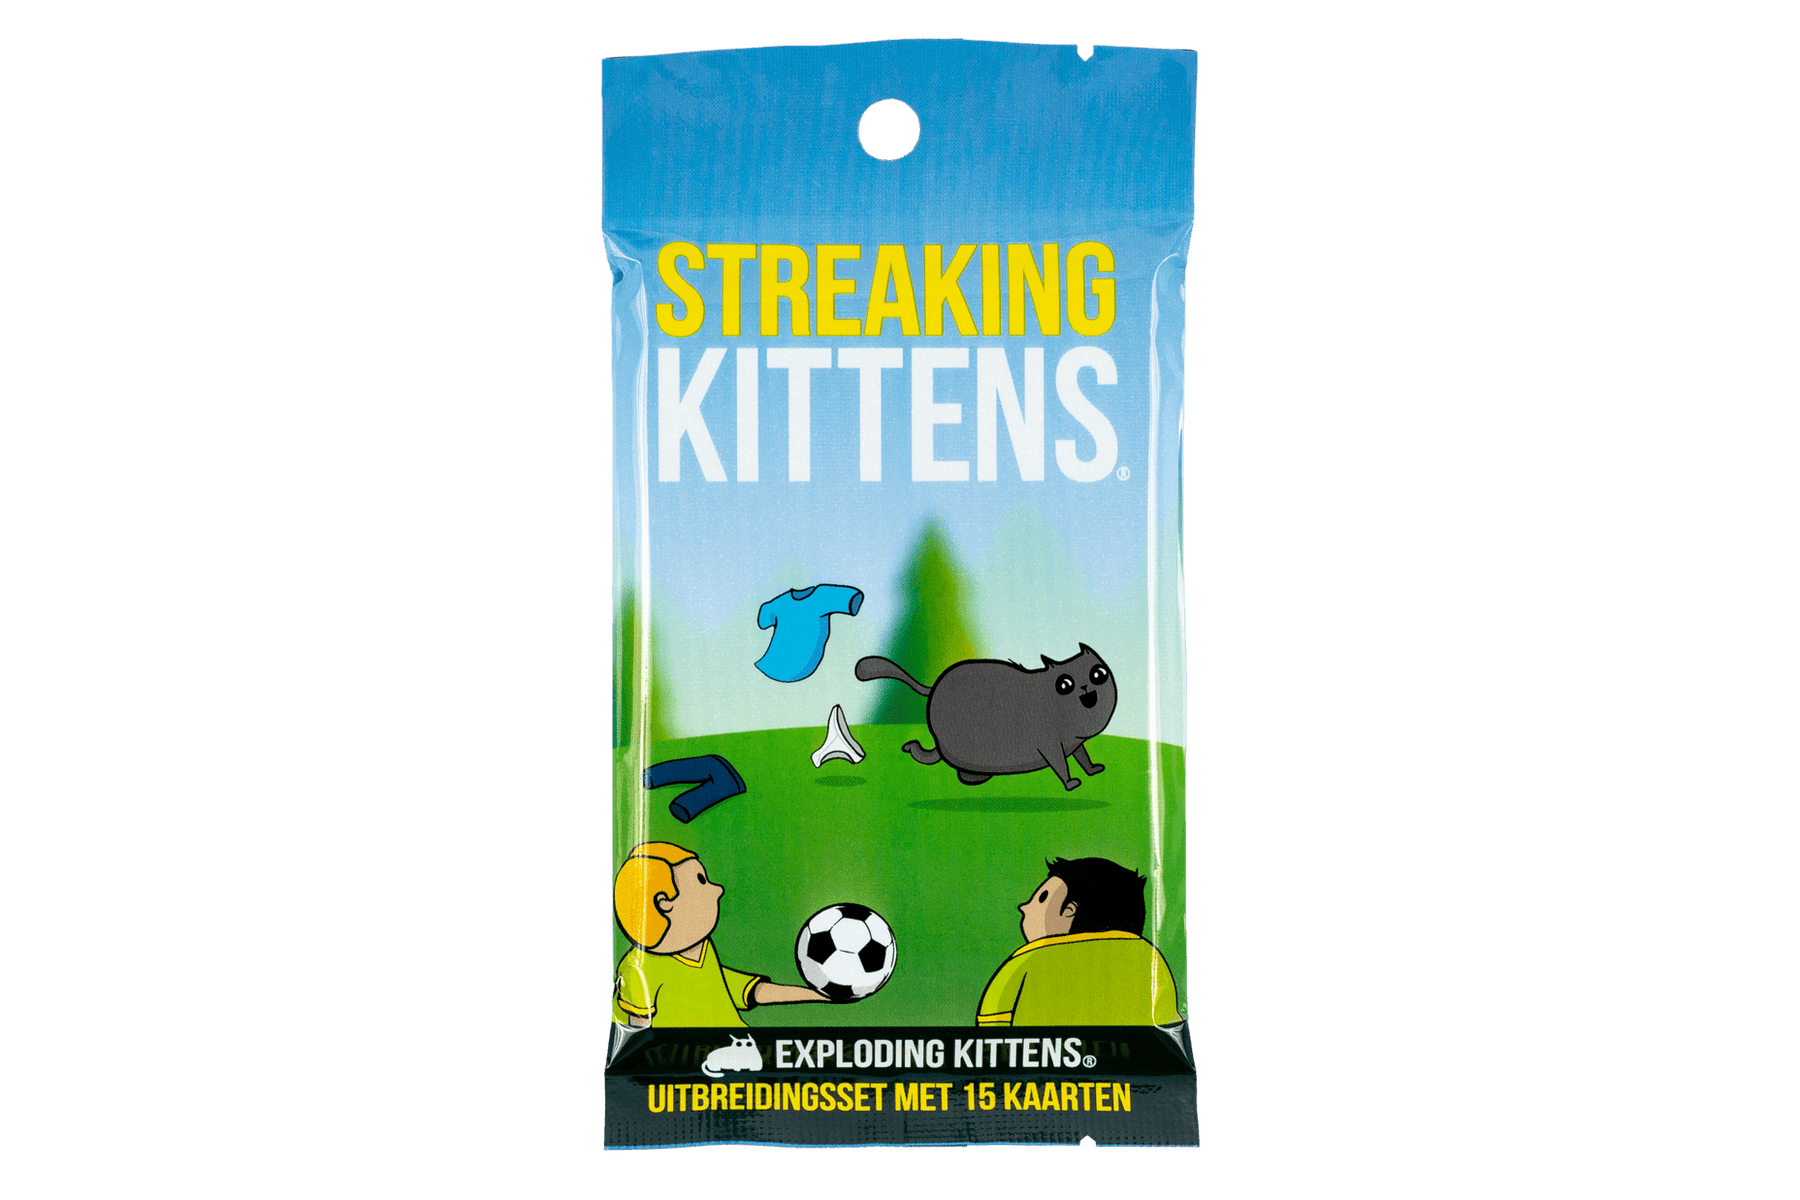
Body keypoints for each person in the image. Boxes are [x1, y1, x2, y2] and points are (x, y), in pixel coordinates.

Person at [612, 842, 826, 1028]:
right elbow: (637, 1036)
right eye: (701, 880)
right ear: (665, 904)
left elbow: (735, 989)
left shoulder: (702, 949)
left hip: (739, 1048)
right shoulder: (641, 967)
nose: (718, 890)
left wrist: (817, 995)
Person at [976, 856, 1180, 1026]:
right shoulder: (1149, 959)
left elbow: (993, 1024)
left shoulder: (1029, 961)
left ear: (1068, 911)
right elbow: (1167, 1020)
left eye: (1041, 898)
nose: (1024, 907)